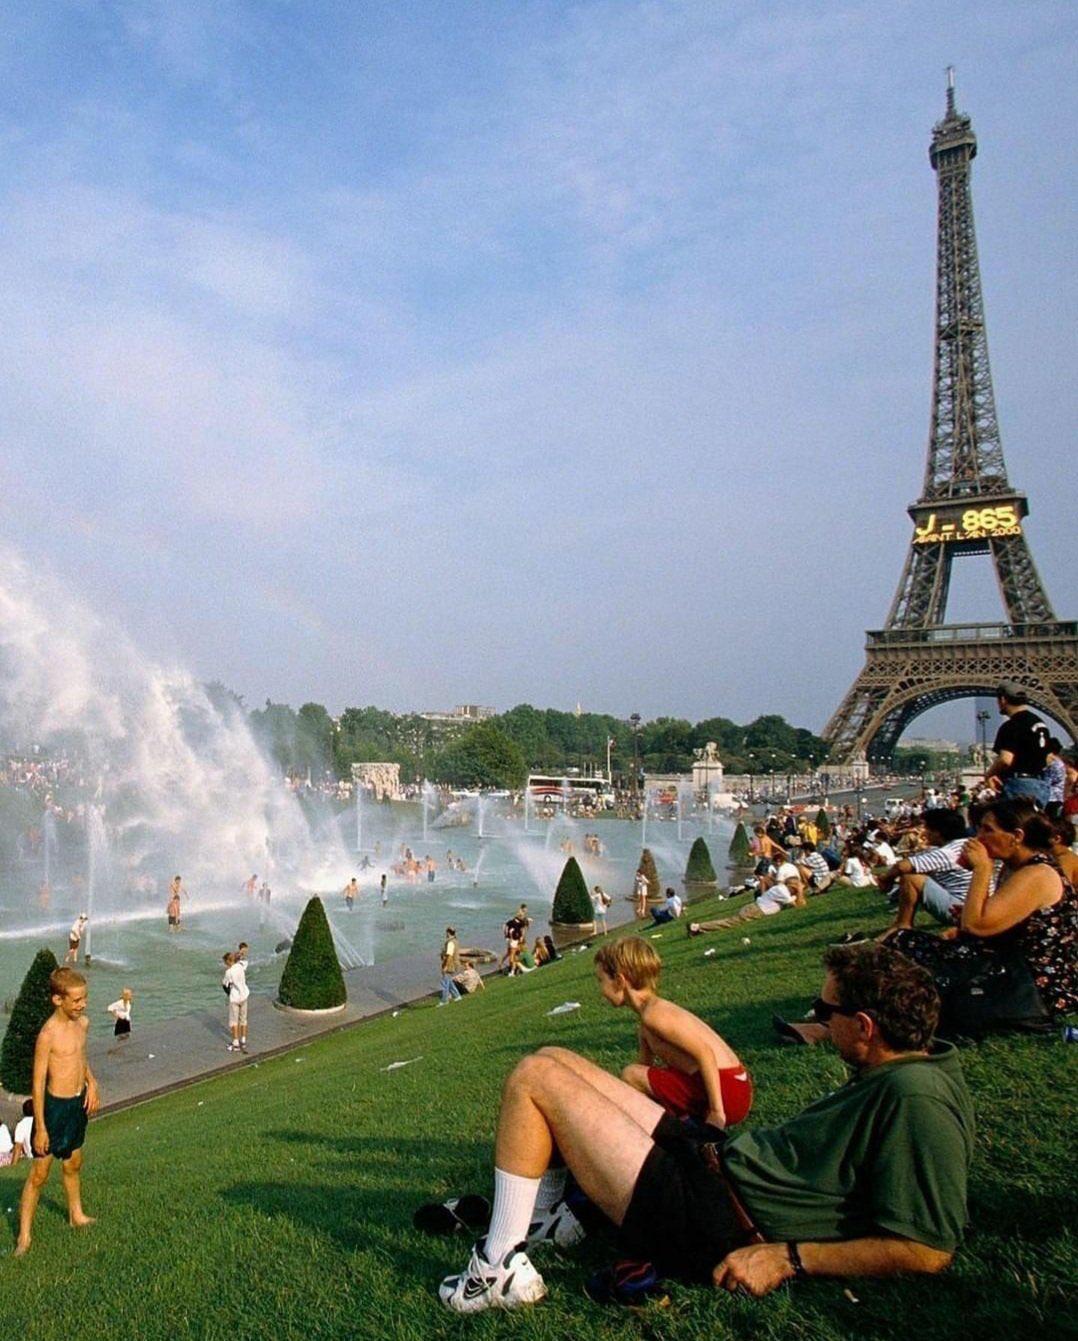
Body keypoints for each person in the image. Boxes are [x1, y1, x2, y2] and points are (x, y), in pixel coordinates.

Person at [435, 943, 972, 1313]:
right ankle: (547, 1217)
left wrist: (787, 1258)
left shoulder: (916, 1098)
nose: (817, 1019)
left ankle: (496, 1267)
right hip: (713, 1162)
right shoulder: (903, 1072)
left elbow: (925, 1249)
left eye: (824, 1009)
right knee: (553, 1056)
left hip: (712, 1213)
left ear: (866, 1025)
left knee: (533, 1079)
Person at [890, 799, 1077, 1024]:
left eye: (988, 830)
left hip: (1033, 986)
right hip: (1015, 968)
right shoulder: (1016, 867)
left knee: (903, 945)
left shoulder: (1037, 874)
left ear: (1016, 836)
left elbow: (976, 925)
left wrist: (982, 868)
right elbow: (994, 921)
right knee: (904, 944)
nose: (979, 837)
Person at [598, 937, 752, 1131]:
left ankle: (686, 1130)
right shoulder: (647, 1020)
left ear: (620, 981)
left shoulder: (655, 1015)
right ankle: (672, 1129)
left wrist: (716, 1112)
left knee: (630, 1073)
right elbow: (642, 1073)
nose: (601, 991)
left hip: (728, 1092)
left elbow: (705, 1053)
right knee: (635, 1075)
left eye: (601, 980)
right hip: (733, 1087)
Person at [15, 967, 100, 1256]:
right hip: (54, 1108)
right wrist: (40, 1126)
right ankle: (24, 1237)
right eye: (76, 1000)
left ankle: (76, 1215)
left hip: (77, 1104)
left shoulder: (82, 1024)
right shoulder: (47, 1035)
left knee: (73, 1163)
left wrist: (92, 1081)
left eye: (84, 998)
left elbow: (81, 1056)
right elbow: (37, 1082)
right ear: (57, 1000)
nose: (82, 1005)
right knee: (39, 1173)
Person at [881, 808, 972, 930]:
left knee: (911, 878)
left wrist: (886, 878)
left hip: (959, 910)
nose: (924, 833)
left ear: (938, 832)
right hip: (973, 906)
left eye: (927, 829)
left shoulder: (947, 852)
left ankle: (902, 924)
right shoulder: (966, 844)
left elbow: (902, 866)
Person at [985, 681, 1051, 807]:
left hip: (1019, 785)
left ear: (1003, 700)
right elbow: (1048, 758)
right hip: (1040, 784)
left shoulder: (1011, 725)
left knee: (1012, 822)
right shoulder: (1040, 723)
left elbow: (1005, 759)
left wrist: (989, 774)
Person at [687, 877, 798, 935]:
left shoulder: (780, 888)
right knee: (728, 923)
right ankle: (696, 927)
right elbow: (796, 905)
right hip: (755, 911)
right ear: (792, 887)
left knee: (729, 922)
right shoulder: (783, 892)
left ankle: (699, 929)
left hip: (754, 908)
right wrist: (799, 895)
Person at [222, 950, 250, 1053]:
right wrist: (240, 954)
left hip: (235, 998)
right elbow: (244, 962)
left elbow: (225, 984)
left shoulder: (229, 972)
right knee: (243, 1019)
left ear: (229, 962)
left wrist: (228, 993)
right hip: (244, 996)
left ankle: (235, 1043)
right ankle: (243, 1040)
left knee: (233, 1021)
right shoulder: (240, 966)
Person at [440, 927, 462, 1006]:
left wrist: (445, 966)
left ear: (448, 932)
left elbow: (449, 955)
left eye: (446, 932)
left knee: (445, 982)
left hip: (450, 964)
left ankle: (444, 1001)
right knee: (449, 981)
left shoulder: (450, 943)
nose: (445, 934)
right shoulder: (455, 941)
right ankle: (457, 996)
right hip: (455, 963)